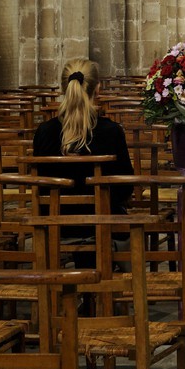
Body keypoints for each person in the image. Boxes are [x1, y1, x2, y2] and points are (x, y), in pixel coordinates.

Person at [33, 60, 134, 240]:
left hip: (54, 222)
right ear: (98, 89)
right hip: (102, 221)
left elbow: (41, 184)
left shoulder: (44, 132)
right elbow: (125, 187)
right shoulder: (111, 131)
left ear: (63, 89)